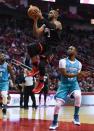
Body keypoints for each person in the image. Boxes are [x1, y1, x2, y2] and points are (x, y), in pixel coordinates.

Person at [49, 46, 90, 130]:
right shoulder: (62, 61)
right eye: (68, 48)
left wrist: (82, 76)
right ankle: (55, 122)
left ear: (75, 52)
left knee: (78, 95)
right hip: (64, 85)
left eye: (71, 49)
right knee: (57, 105)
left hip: (73, 84)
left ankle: (76, 116)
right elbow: (65, 74)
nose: (69, 49)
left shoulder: (79, 64)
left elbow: (77, 77)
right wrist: (78, 74)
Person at [27, 5, 62, 93]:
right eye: (49, 12)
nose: (49, 14)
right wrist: (35, 21)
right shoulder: (44, 24)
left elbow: (52, 27)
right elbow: (36, 34)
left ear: (56, 15)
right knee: (31, 47)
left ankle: (41, 83)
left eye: (51, 12)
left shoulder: (58, 23)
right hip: (45, 45)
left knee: (42, 65)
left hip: (52, 48)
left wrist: (41, 17)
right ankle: (34, 68)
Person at [0, 52, 15, 119]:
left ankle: (4, 109)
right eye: (1, 56)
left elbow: (12, 75)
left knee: (4, 95)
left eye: (3, 56)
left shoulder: (7, 66)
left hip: (4, 83)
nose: (2, 57)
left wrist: (14, 83)